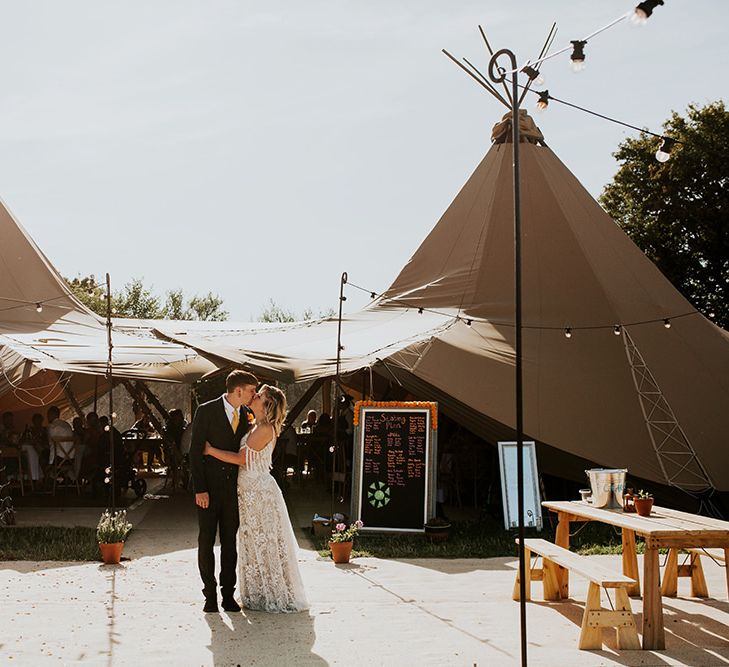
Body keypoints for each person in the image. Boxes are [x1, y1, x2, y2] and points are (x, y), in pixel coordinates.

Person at [204, 384, 308, 613]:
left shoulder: (265, 429)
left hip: (259, 494)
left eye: (259, 395)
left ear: (267, 404)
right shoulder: (255, 424)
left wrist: (211, 451)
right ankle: (258, 591)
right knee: (253, 541)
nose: (255, 396)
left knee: (265, 541)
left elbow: (242, 459)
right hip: (248, 492)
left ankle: (273, 593)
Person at [190, 369, 258, 613]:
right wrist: (200, 489)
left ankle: (228, 595)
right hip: (207, 490)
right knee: (206, 542)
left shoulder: (248, 414)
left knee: (230, 544)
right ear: (238, 390)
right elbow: (195, 452)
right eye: (251, 391)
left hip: (233, 491)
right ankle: (209, 596)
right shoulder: (206, 411)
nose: (254, 395)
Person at [47, 406, 76, 480]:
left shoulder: (52, 426)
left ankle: (53, 478)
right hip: (71, 459)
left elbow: (52, 446)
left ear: (51, 414)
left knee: (43, 455)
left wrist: (50, 463)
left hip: (59, 459)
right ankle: (62, 477)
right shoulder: (67, 425)